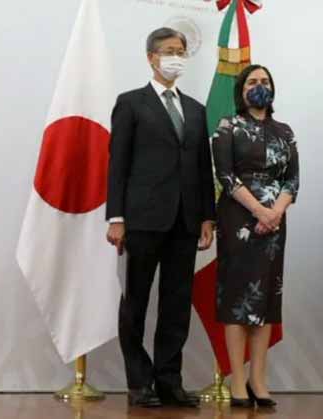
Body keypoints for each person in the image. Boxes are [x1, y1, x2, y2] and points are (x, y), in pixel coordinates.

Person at [105, 27, 216, 408]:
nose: (176, 57)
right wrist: (116, 217)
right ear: (151, 57)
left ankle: (169, 381)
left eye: (181, 51)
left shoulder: (196, 109)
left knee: (176, 304)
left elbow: (203, 167)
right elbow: (118, 164)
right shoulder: (130, 103)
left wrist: (207, 217)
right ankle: (139, 382)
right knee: (135, 302)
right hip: (142, 219)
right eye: (169, 51)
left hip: (186, 222)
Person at [211, 64, 299, 408]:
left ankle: (258, 380)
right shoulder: (228, 126)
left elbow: (292, 180)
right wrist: (259, 211)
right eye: (252, 81)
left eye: (264, 81)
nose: (259, 86)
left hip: (275, 223)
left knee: (266, 299)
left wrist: (274, 212)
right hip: (238, 219)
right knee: (237, 297)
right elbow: (226, 175)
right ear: (241, 90)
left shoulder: (284, 131)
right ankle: (237, 379)